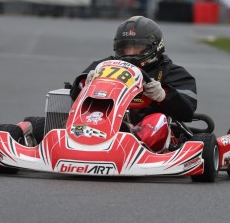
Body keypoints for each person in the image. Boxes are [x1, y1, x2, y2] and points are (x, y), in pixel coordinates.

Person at [70, 16, 197, 153]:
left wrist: (163, 95)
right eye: (126, 47)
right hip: (104, 122)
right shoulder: (103, 66)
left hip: (147, 131)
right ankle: (85, 141)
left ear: (154, 47)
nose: (130, 52)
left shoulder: (173, 73)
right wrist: (86, 84)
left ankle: (131, 142)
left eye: (137, 47)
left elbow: (187, 110)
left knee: (157, 119)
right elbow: (75, 93)